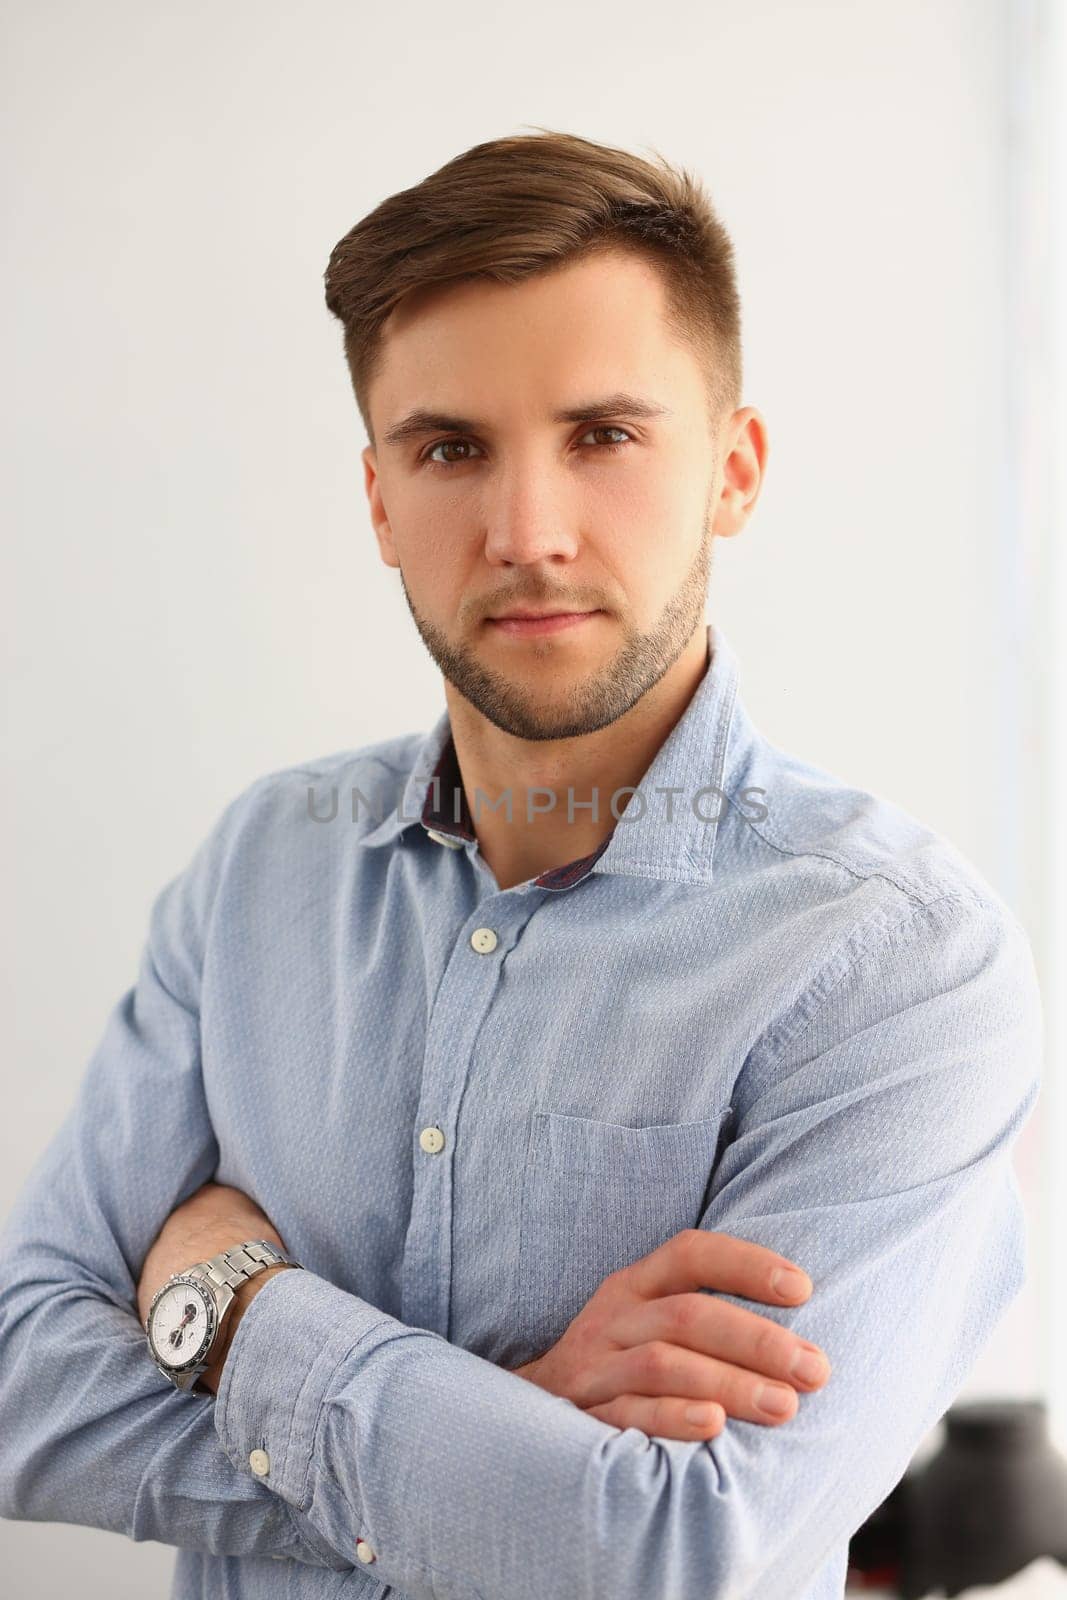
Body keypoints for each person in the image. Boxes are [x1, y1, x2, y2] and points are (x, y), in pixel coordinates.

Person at [0, 127, 1042, 1600]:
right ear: (377, 501)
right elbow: (22, 1384)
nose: (527, 533)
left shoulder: (900, 964)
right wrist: (515, 1440)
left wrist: (236, 1311)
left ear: (734, 470)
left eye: (603, 437)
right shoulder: (261, 875)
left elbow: (668, 1550)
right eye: (450, 449)